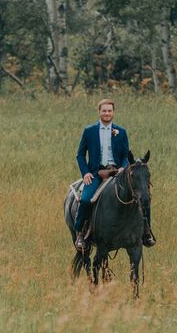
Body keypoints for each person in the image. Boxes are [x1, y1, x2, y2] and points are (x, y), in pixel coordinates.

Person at [73, 98, 156, 252]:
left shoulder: (121, 131)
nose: (107, 113)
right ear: (99, 112)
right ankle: (80, 233)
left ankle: (146, 231)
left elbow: (126, 155)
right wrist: (86, 173)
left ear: (113, 113)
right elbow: (80, 155)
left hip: (118, 172)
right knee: (85, 199)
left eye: (109, 111)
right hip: (97, 173)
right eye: (104, 111)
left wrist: (123, 168)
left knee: (143, 196)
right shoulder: (89, 131)